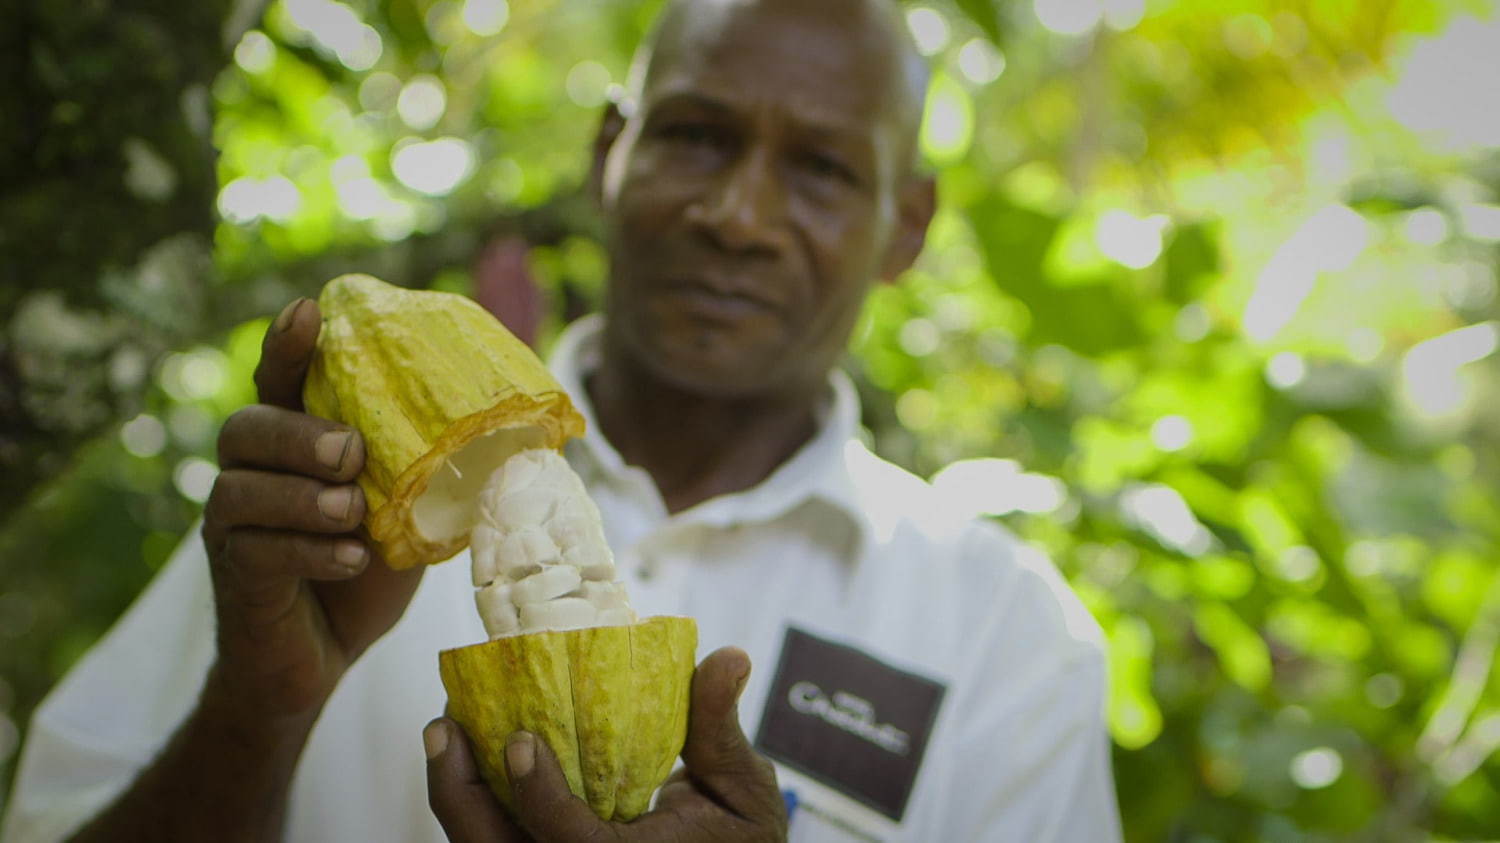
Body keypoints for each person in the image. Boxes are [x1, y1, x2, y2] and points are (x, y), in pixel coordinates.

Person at [2, 0, 1122, 840]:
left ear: (906, 227)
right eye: (695, 137)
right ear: (608, 153)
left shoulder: (1010, 642)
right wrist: (262, 701)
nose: (736, 216)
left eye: (823, 169)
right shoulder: (349, 503)